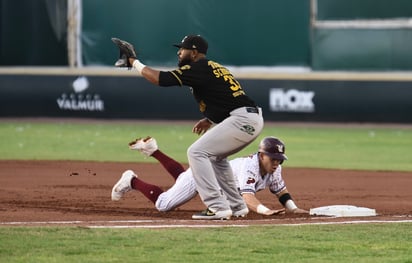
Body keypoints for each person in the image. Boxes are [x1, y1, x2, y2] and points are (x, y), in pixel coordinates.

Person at [112, 35, 264, 219]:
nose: (179, 52)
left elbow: (161, 79)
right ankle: (238, 207)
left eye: (182, 49)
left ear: (193, 53)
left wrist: (134, 62)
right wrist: (208, 119)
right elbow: (226, 97)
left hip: (243, 120)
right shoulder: (212, 67)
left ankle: (217, 207)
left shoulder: (197, 67)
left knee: (196, 152)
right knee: (217, 158)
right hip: (249, 117)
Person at [111, 136, 308, 218]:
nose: (277, 162)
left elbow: (280, 190)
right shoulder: (250, 167)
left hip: (211, 177)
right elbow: (247, 198)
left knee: (183, 178)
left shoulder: (275, 168)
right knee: (163, 204)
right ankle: (131, 180)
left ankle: (154, 150)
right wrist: (265, 211)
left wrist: (293, 208)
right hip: (203, 178)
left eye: (279, 159)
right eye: (273, 158)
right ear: (262, 155)